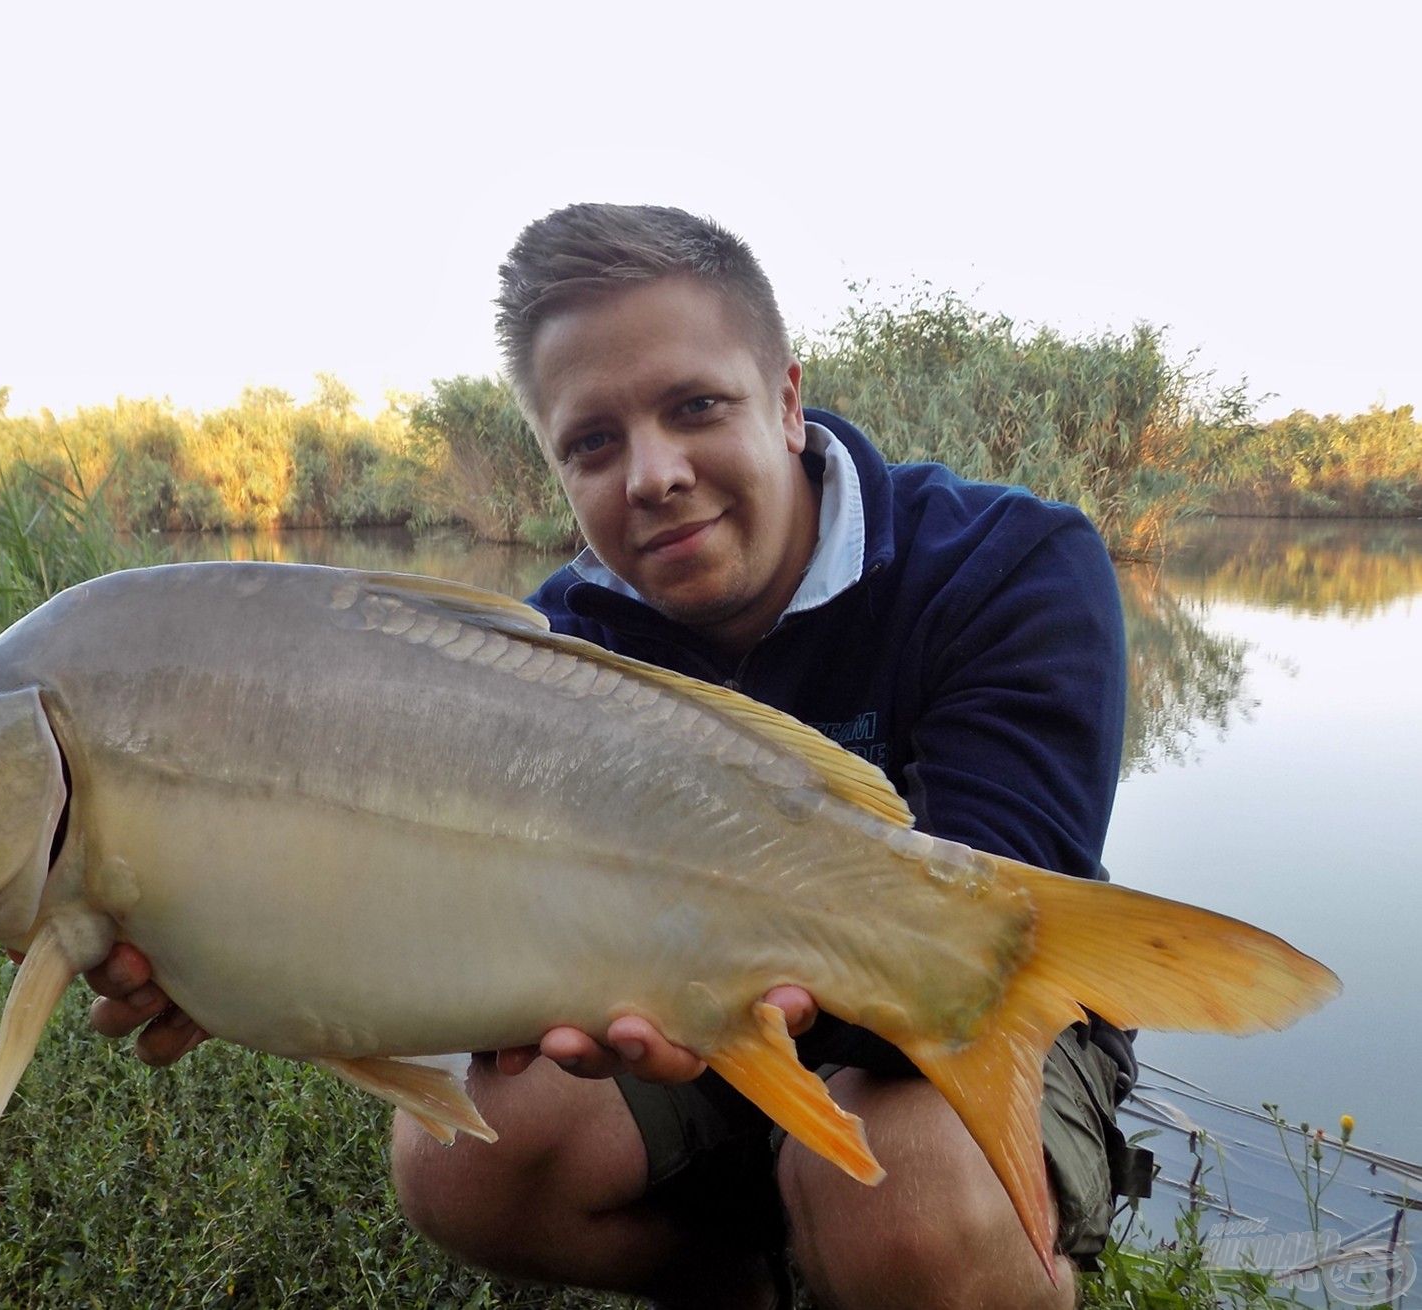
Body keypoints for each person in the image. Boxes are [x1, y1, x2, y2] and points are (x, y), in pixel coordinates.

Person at [84, 204, 1146, 1308]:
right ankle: (776, 1282)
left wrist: (693, 989)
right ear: (553, 465)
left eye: (695, 407)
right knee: (460, 1159)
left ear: (785, 398)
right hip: (684, 1010)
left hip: (966, 991)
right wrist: (249, 959)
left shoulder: (1009, 561)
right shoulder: (546, 656)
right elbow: (477, 910)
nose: (652, 474)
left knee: (903, 1201)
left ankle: (914, 1249)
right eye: (591, 442)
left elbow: (972, 940)